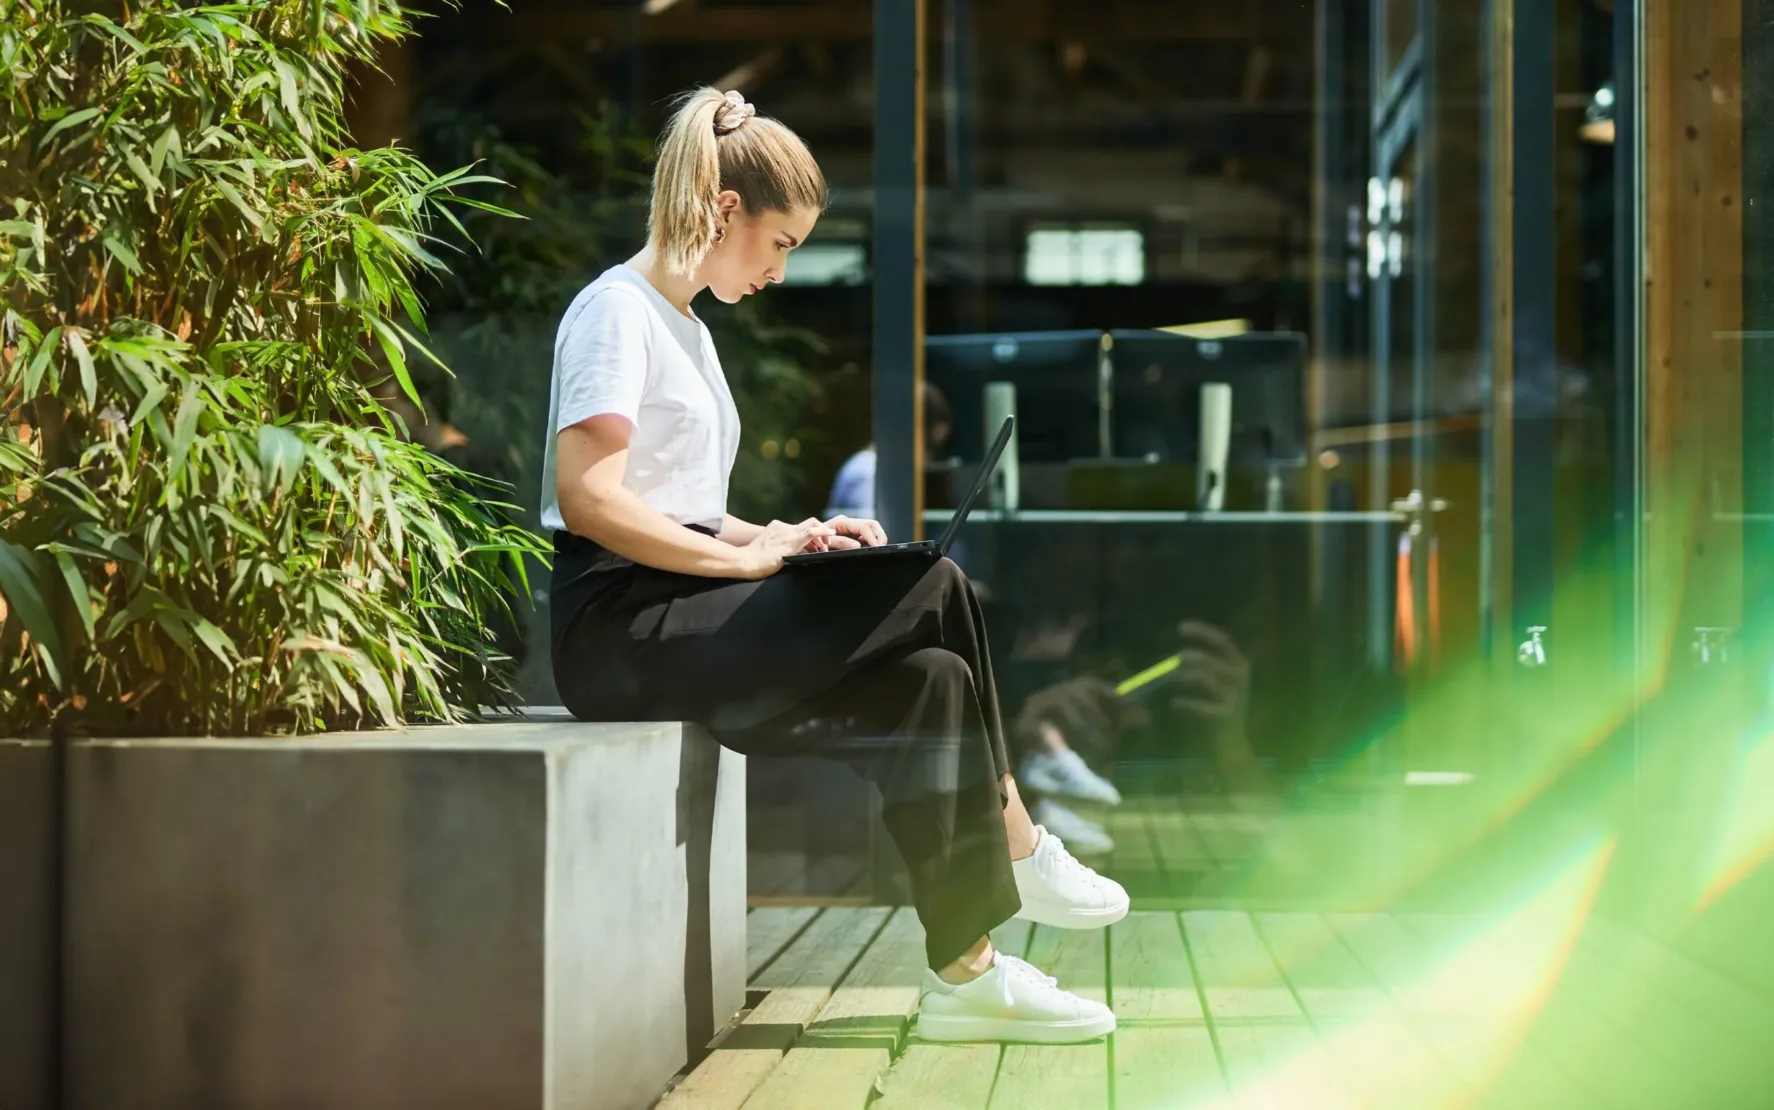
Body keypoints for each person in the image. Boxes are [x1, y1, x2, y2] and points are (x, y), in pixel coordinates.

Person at [544, 88, 1126, 1046]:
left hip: (681, 608)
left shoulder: (687, 327)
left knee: (930, 681)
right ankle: (1019, 838)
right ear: (726, 211)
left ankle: (968, 977)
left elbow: (673, 503)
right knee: (932, 581)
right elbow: (592, 502)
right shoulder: (617, 312)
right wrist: (745, 568)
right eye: (781, 243)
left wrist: (779, 532)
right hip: (616, 630)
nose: (782, 269)